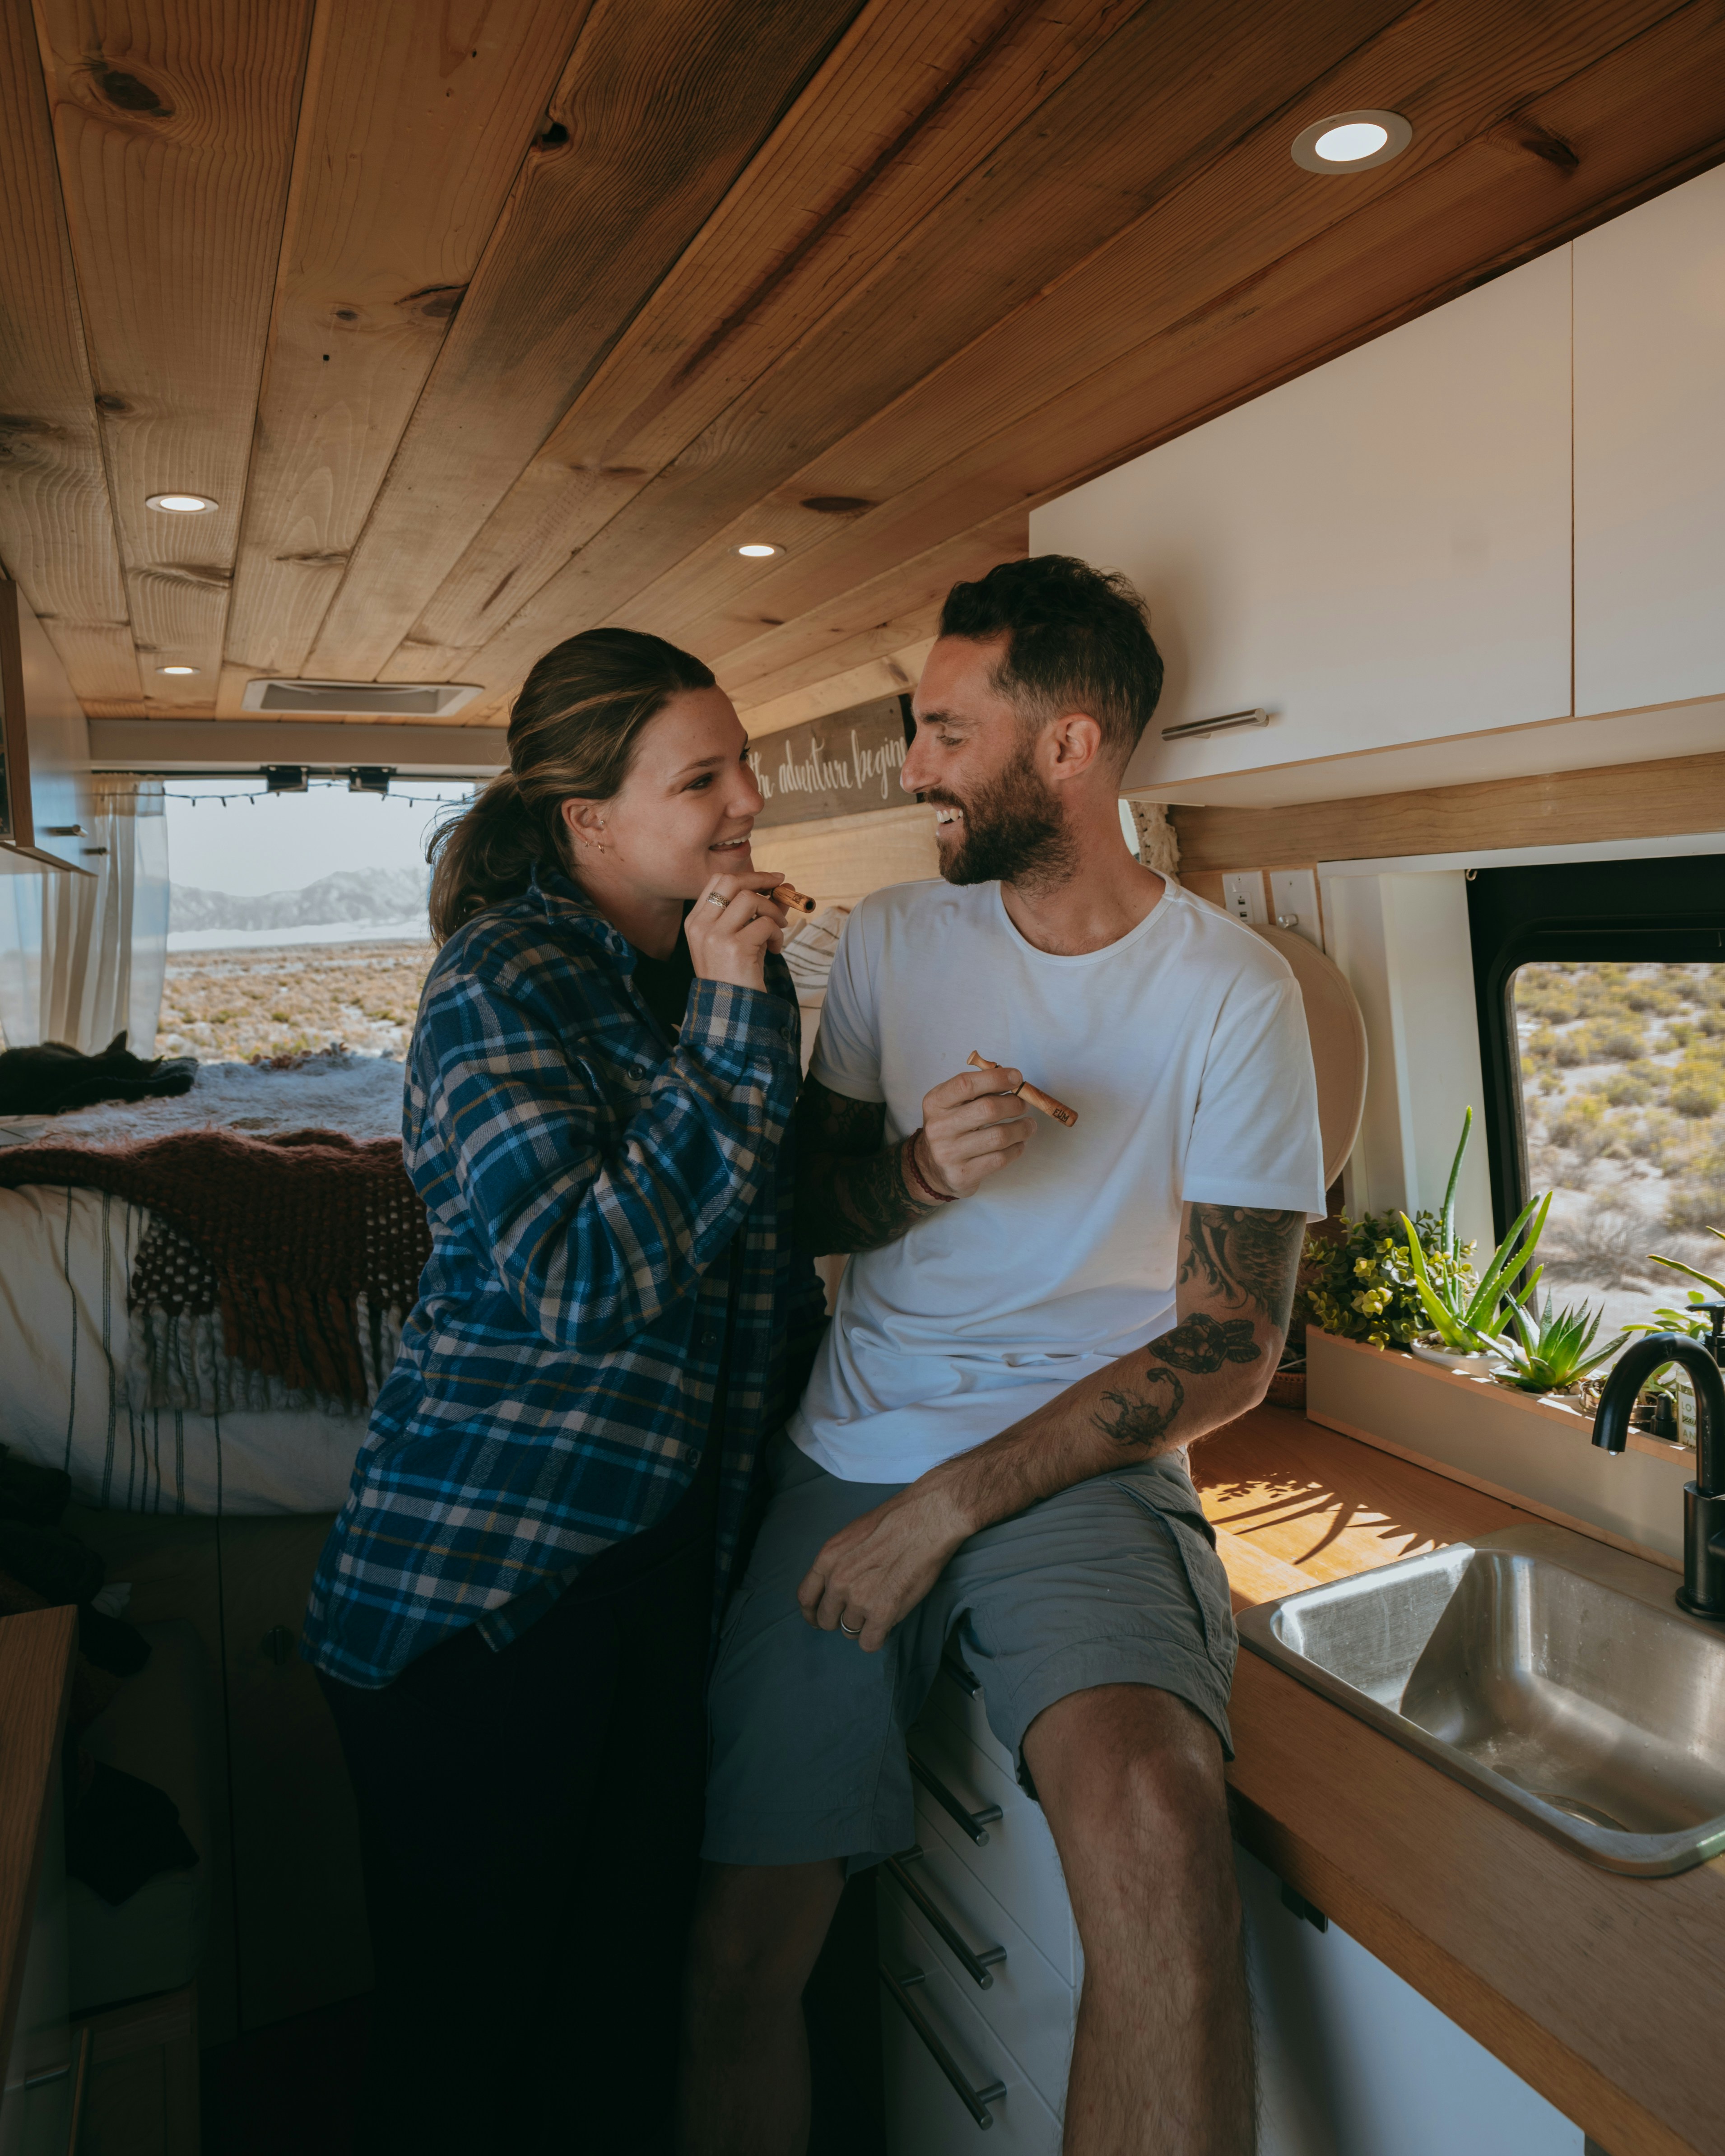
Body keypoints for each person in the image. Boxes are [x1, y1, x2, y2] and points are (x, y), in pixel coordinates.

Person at [682, 556, 1325, 2156]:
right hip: (858, 1445)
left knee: (1163, 1830)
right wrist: (912, 1173)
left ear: (1068, 749)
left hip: (1082, 1472)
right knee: (733, 1962)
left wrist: (954, 1503)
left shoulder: (1236, 995)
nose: (913, 768)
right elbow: (805, 1201)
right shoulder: (898, 943)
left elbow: (1234, 1345)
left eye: (944, 731)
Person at [301, 628, 823, 2156]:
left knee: (611, 2029)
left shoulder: (728, 980)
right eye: (703, 776)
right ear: (586, 821)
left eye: (745, 762)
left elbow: (753, 1240)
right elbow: (587, 1286)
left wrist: (908, 1174)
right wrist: (735, 1013)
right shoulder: (500, 982)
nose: (749, 800)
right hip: (481, 1594)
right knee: (469, 2058)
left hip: (654, 1568)